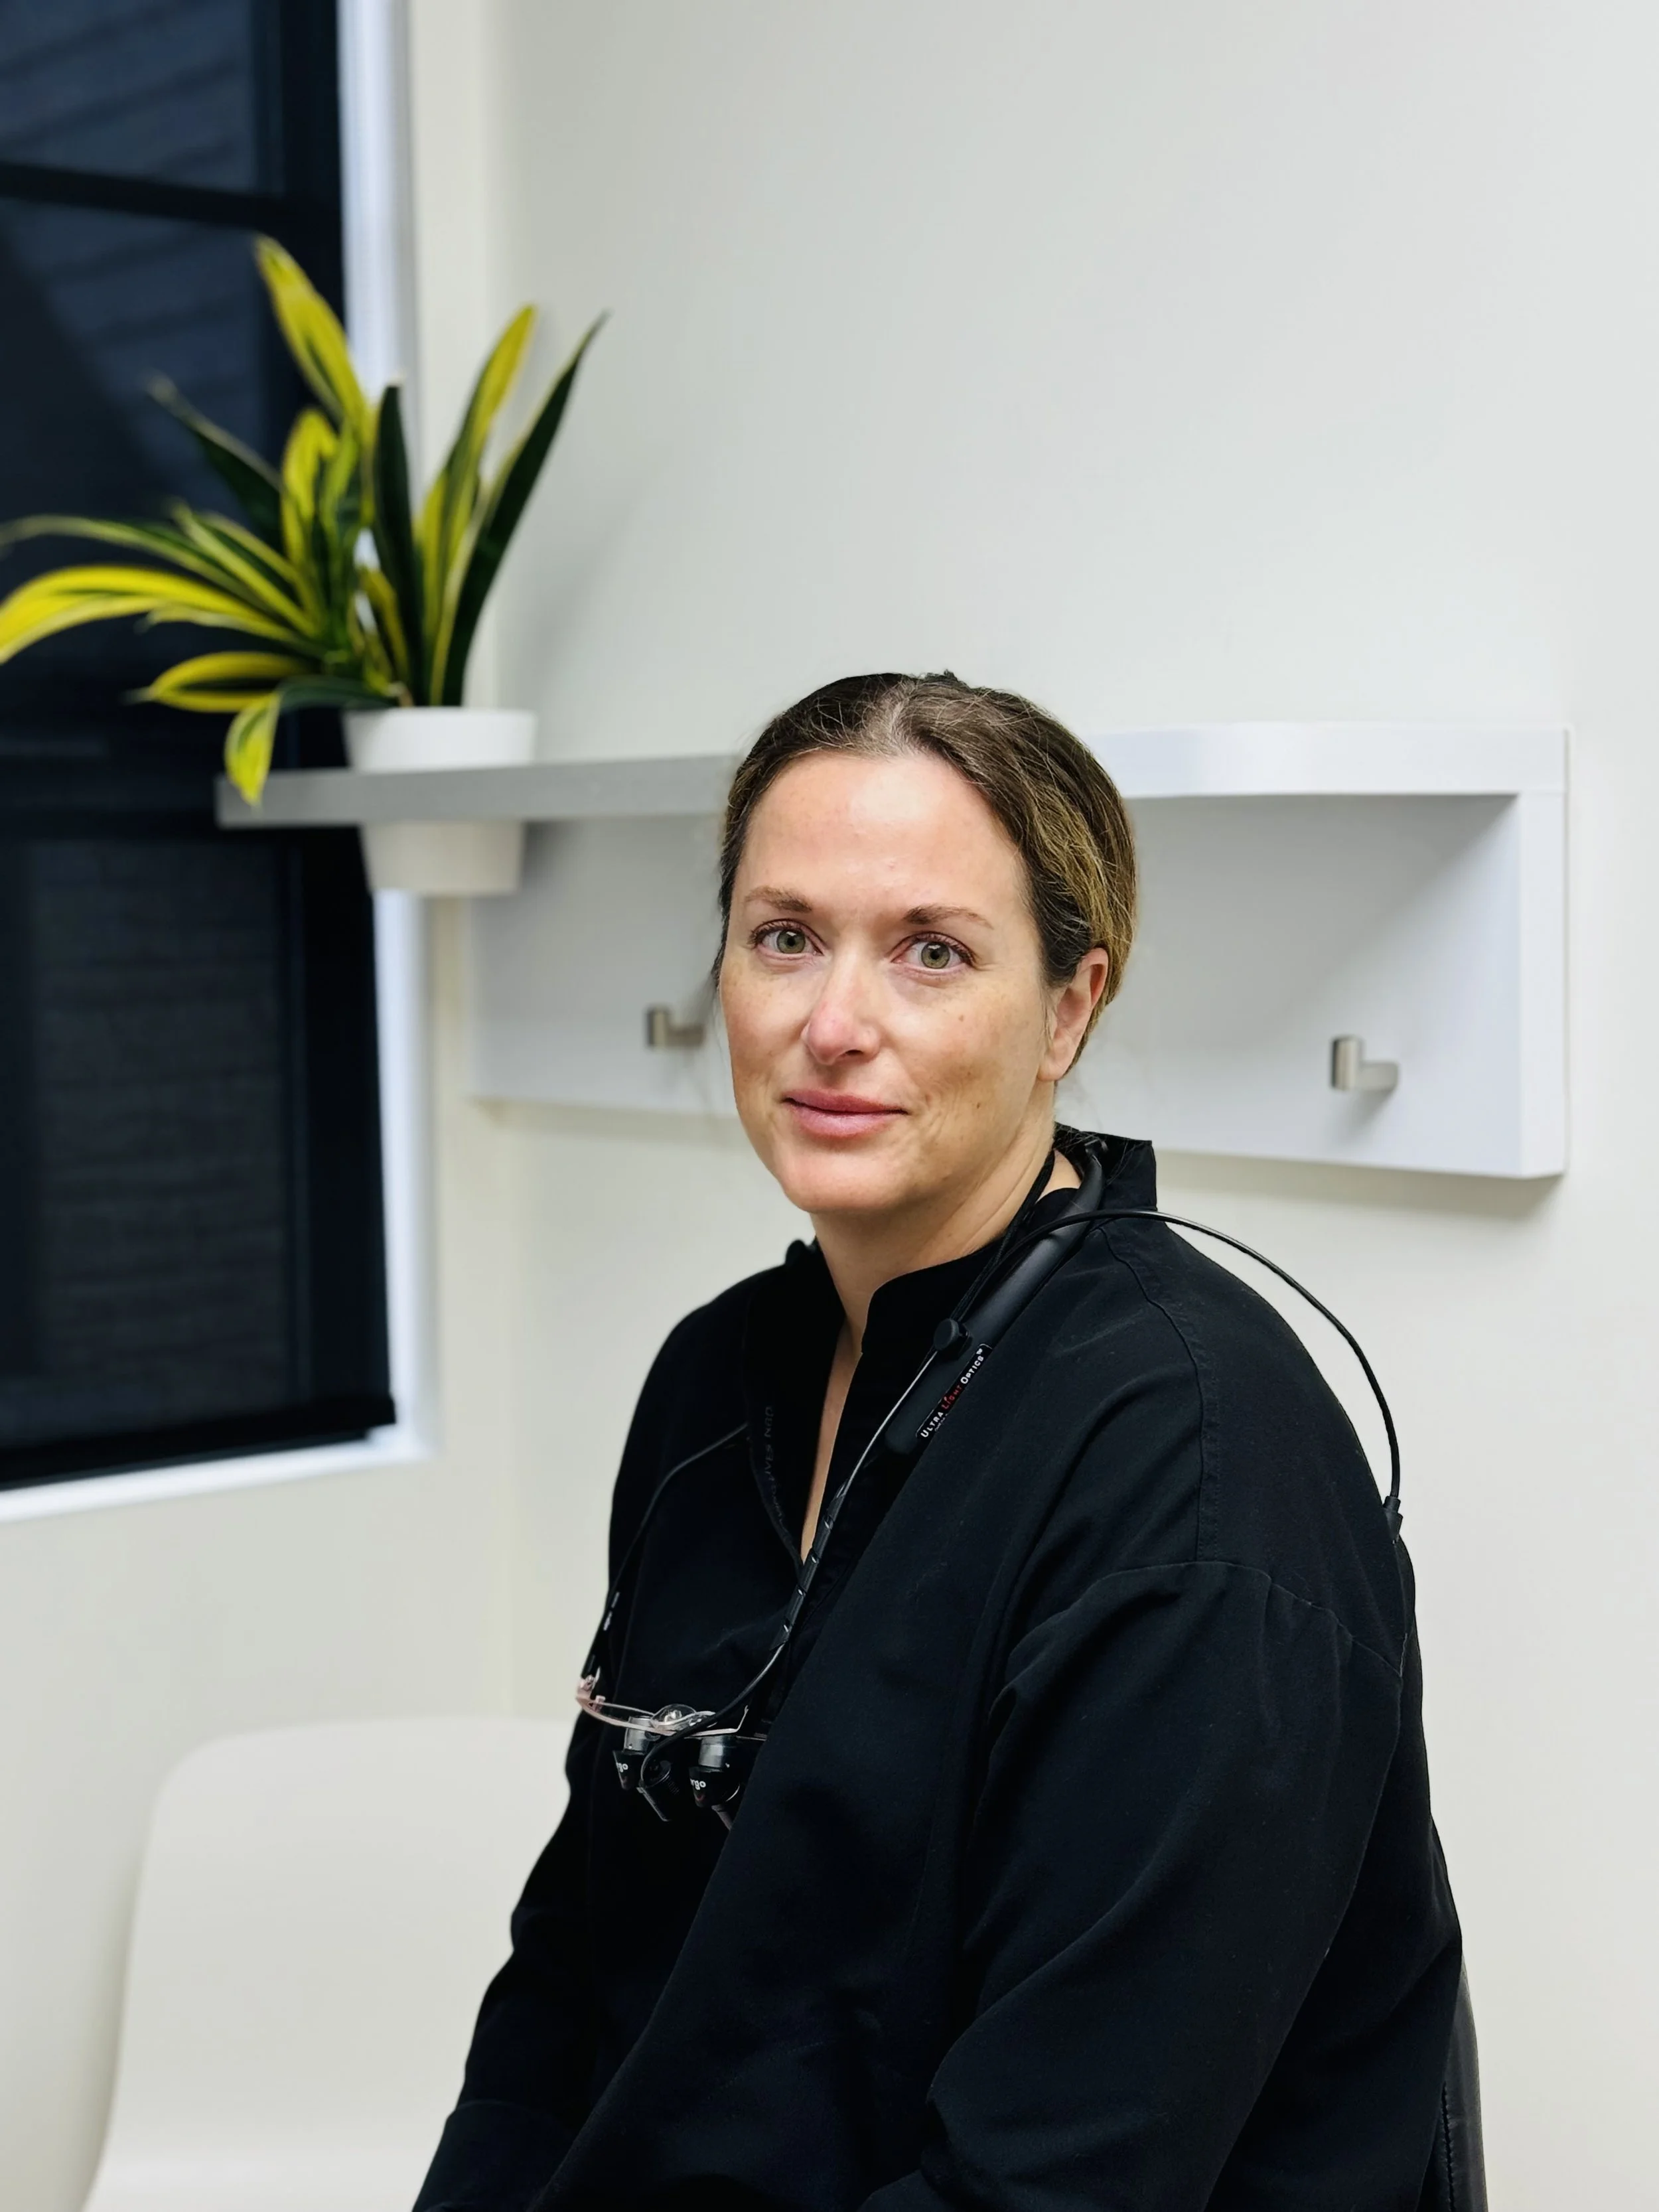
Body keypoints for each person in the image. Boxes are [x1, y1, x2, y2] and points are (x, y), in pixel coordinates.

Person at [413, 673, 1463, 2212]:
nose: (833, 1025)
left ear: (1067, 1008)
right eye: (784, 936)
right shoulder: (714, 1382)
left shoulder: (1195, 1466)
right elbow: (564, 1981)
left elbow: (1059, 2177)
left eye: (931, 952)